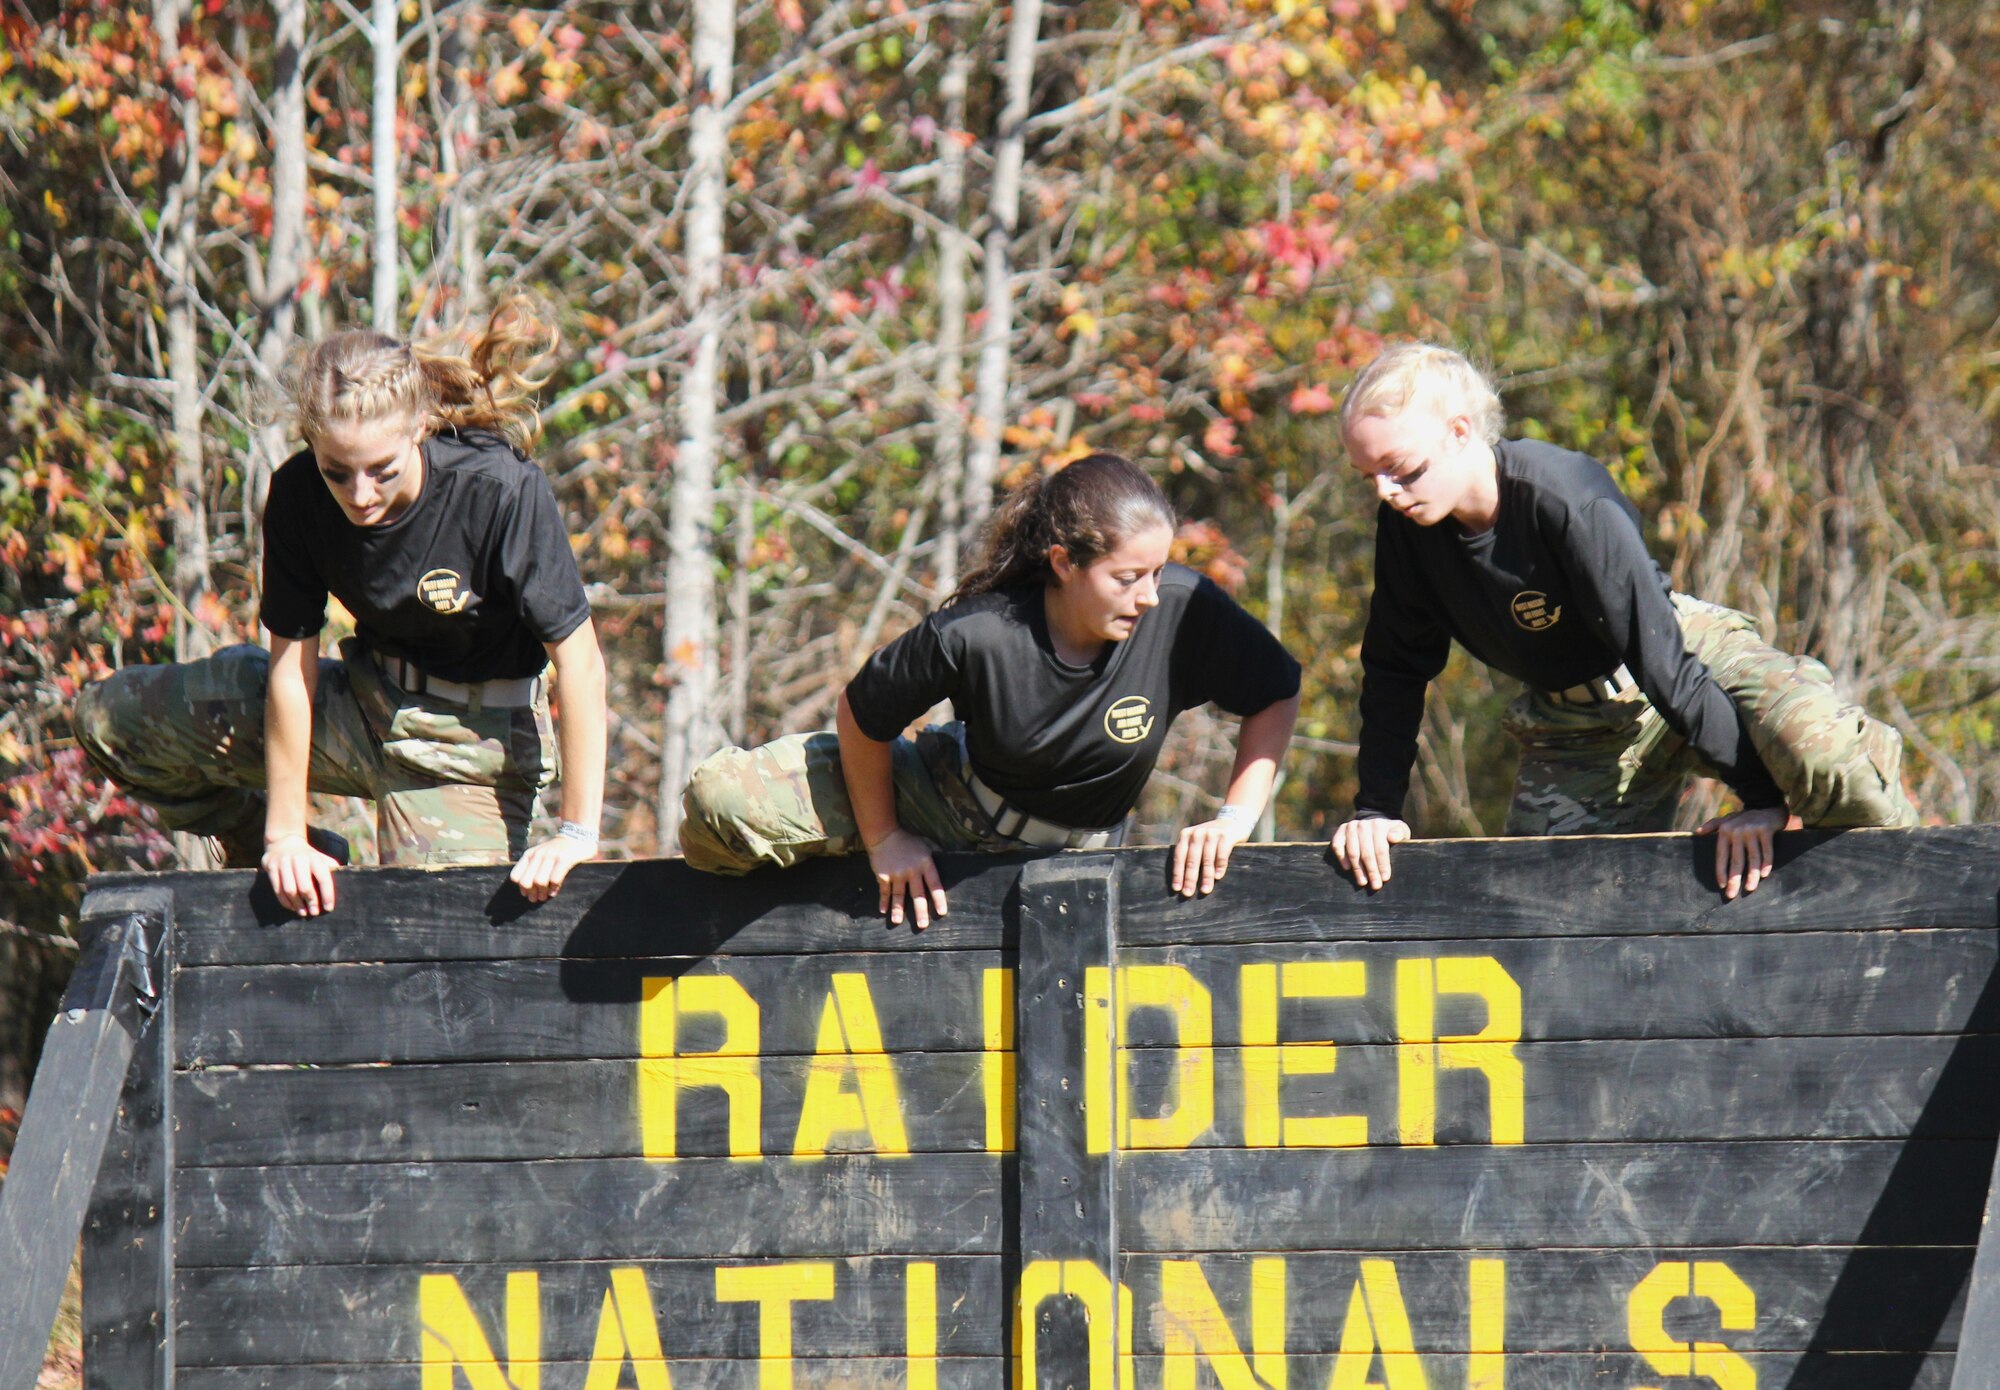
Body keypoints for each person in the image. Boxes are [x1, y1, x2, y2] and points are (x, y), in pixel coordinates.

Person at [1327, 342, 1918, 901]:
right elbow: (1394, 670)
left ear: (1460, 433)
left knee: (1831, 764)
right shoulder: (1407, 532)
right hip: (1579, 723)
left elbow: (1659, 655)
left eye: (1400, 469)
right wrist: (1376, 811)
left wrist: (1764, 801)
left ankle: (1934, 912)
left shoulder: (1564, 496)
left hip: (1688, 658)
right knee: (1535, 914)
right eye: (1369, 477)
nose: (1387, 492)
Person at [74, 297, 608, 915]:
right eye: (338, 471)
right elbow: (291, 669)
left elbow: (582, 665)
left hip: (471, 746)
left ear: (420, 426)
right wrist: (283, 835)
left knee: (432, 952)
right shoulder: (300, 495)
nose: (360, 494)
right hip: (363, 703)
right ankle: (280, 854)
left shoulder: (498, 491)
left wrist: (577, 835)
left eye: (381, 471)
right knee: (111, 721)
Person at [679, 452, 1302, 924]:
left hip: (1074, 860)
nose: (1150, 595)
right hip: (949, 801)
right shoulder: (978, 631)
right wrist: (884, 839)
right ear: (1063, 563)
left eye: (1160, 571)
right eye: (1128, 576)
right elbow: (862, 712)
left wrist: (1233, 819)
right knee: (721, 803)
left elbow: (1276, 689)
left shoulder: (1183, 609)